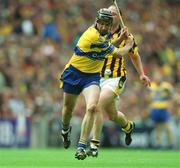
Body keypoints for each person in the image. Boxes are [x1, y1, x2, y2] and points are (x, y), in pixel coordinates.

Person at [59, 8, 134, 160]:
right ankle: (65, 131)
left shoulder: (101, 37)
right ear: (97, 22)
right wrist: (129, 44)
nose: (105, 28)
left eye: (108, 25)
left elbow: (107, 47)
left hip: (91, 77)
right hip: (74, 73)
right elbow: (117, 52)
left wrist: (119, 39)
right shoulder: (92, 35)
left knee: (93, 107)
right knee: (68, 110)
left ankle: (81, 146)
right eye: (103, 24)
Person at [87, 5, 151, 157]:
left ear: (119, 17)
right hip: (98, 77)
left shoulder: (127, 36)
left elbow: (134, 55)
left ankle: (94, 144)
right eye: (109, 12)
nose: (110, 15)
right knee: (113, 116)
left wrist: (141, 74)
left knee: (96, 105)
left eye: (114, 13)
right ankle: (128, 127)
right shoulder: (97, 31)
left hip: (116, 78)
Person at [149, 70, 174, 149]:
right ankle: (158, 144)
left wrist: (170, 104)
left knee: (167, 127)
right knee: (158, 128)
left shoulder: (166, 86)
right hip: (155, 108)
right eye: (156, 76)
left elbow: (172, 96)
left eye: (158, 76)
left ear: (161, 77)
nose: (157, 78)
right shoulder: (151, 85)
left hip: (164, 108)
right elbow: (148, 98)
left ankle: (171, 144)